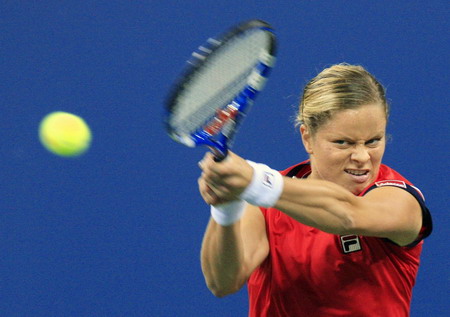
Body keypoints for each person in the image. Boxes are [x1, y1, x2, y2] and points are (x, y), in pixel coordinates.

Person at [197, 63, 432, 316]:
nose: (363, 156)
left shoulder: (401, 201)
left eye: (374, 141)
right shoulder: (264, 203)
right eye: (343, 142)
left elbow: (347, 214)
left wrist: (255, 182)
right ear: (307, 138)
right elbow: (222, 282)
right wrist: (226, 207)